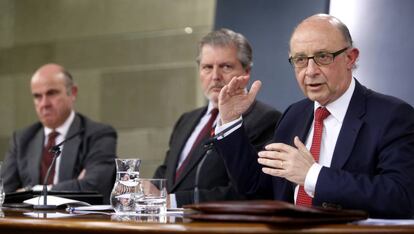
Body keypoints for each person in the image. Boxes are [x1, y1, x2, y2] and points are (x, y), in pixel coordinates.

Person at [214, 14, 414, 218]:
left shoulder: (392, 116)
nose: (310, 71)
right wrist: (230, 121)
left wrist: (313, 176)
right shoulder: (294, 115)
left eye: (323, 57)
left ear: (350, 58)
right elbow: (257, 188)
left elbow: (402, 196)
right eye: (300, 60)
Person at [153, 29, 281, 207]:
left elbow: (249, 192)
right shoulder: (186, 120)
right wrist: (144, 189)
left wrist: (175, 201)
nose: (215, 76)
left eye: (226, 66)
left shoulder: (265, 119)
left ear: (247, 71)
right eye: (207, 67)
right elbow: (167, 173)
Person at [1, 63, 117, 204]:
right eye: (37, 96)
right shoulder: (22, 139)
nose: (44, 104)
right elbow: (5, 192)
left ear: (72, 92)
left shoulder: (99, 135)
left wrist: (33, 191)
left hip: (77, 223)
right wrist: (75, 185)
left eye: (52, 93)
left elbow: (95, 187)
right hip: (30, 224)